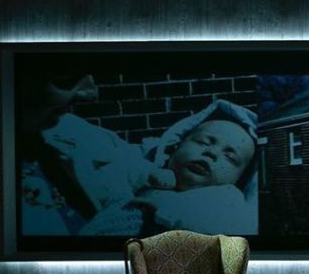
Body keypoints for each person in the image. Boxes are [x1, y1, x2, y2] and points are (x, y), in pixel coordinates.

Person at [21, 74, 259, 236]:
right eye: (203, 142)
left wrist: (164, 209)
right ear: (172, 147)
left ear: (239, 180)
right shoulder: (140, 167)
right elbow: (114, 174)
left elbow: (237, 226)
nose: (211, 153)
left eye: (230, 157)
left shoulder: (227, 199)